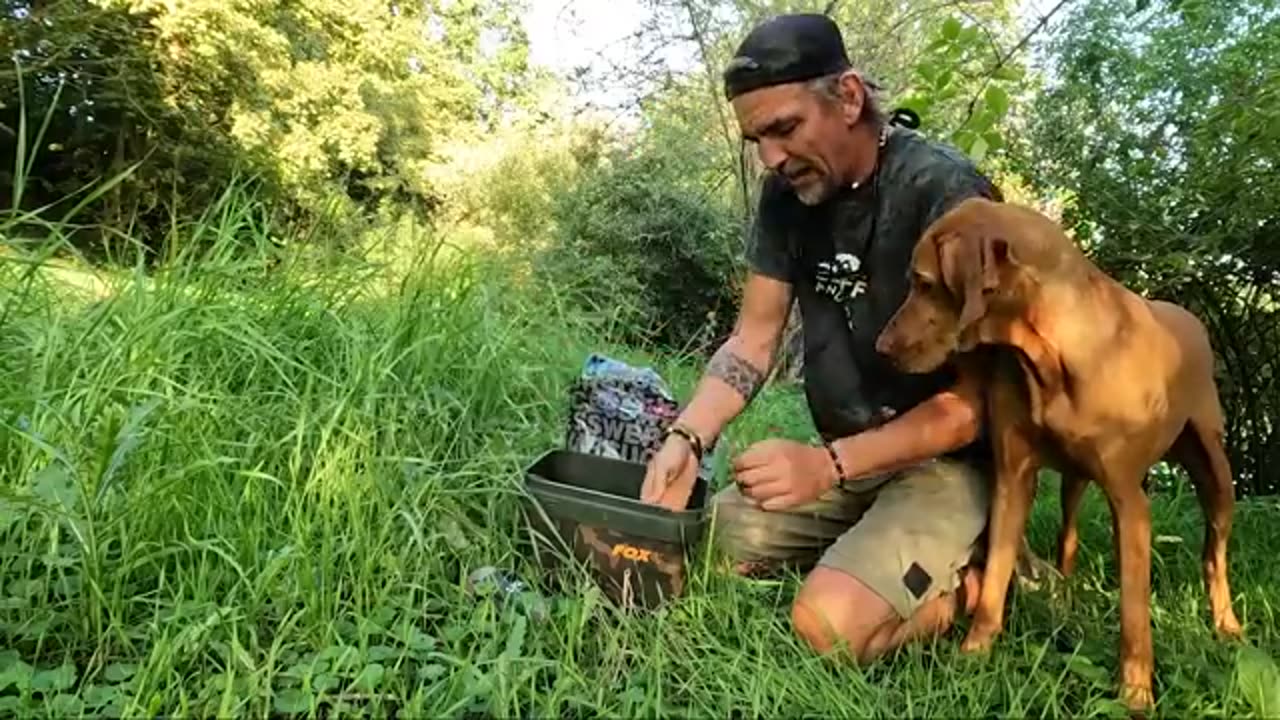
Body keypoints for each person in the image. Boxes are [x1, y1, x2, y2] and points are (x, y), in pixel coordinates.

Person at [639, 13, 1012, 663]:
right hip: (843, 458)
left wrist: (826, 467)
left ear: (847, 97)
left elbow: (974, 406)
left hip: (945, 467)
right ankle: (863, 547)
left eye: (784, 129)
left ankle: (973, 584)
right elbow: (752, 340)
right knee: (693, 547)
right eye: (757, 139)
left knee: (826, 627)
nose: (772, 158)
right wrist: (688, 436)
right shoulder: (785, 198)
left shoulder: (948, 194)